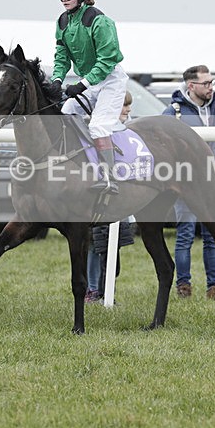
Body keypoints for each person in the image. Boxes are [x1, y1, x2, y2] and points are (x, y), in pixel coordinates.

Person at [44, 0, 128, 195]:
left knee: (99, 125)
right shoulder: (62, 22)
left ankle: (111, 178)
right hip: (90, 80)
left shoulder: (100, 21)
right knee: (67, 112)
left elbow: (108, 59)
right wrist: (57, 80)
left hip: (110, 80)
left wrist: (82, 84)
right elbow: (61, 57)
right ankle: (81, 163)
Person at [162, 65, 215, 299]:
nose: (211, 87)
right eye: (206, 83)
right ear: (191, 86)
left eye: (212, 82)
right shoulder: (173, 112)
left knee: (213, 236)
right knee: (185, 235)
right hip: (187, 183)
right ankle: (184, 285)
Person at [86, 91, 136, 302]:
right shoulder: (96, 131)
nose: (128, 109)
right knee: (95, 245)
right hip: (97, 199)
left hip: (119, 199)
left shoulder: (127, 131)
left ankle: (106, 290)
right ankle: (92, 290)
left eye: (128, 105)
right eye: (124, 105)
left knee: (112, 249)